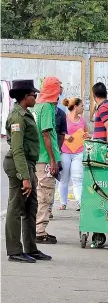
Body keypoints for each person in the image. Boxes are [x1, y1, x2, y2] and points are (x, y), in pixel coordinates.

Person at [3, 80, 52, 262]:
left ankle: (31, 248)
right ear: (25, 96)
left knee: (31, 207)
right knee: (16, 207)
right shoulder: (17, 117)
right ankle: (15, 251)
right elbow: (17, 150)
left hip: (28, 164)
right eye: (33, 94)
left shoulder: (26, 113)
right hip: (18, 165)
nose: (36, 97)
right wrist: (24, 177)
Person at [32, 77, 62, 244]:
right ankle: (40, 231)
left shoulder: (36, 106)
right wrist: (52, 159)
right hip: (44, 159)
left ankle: (36, 228)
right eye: (58, 90)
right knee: (45, 194)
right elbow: (46, 134)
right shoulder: (48, 107)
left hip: (37, 158)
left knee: (39, 193)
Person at [58, 97, 90, 211]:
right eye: (81, 106)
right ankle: (63, 203)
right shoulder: (65, 119)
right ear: (75, 107)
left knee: (78, 178)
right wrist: (67, 137)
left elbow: (87, 133)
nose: (83, 108)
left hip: (79, 152)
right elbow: (59, 133)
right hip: (65, 152)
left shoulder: (82, 120)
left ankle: (80, 202)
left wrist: (87, 136)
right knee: (64, 178)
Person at [48, 103, 67, 219]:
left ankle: (49, 209)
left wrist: (58, 150)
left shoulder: (61, 114)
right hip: (41, 154)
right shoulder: (42, 111)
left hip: (55, 153)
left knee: (51, 181)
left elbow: (62, 134)